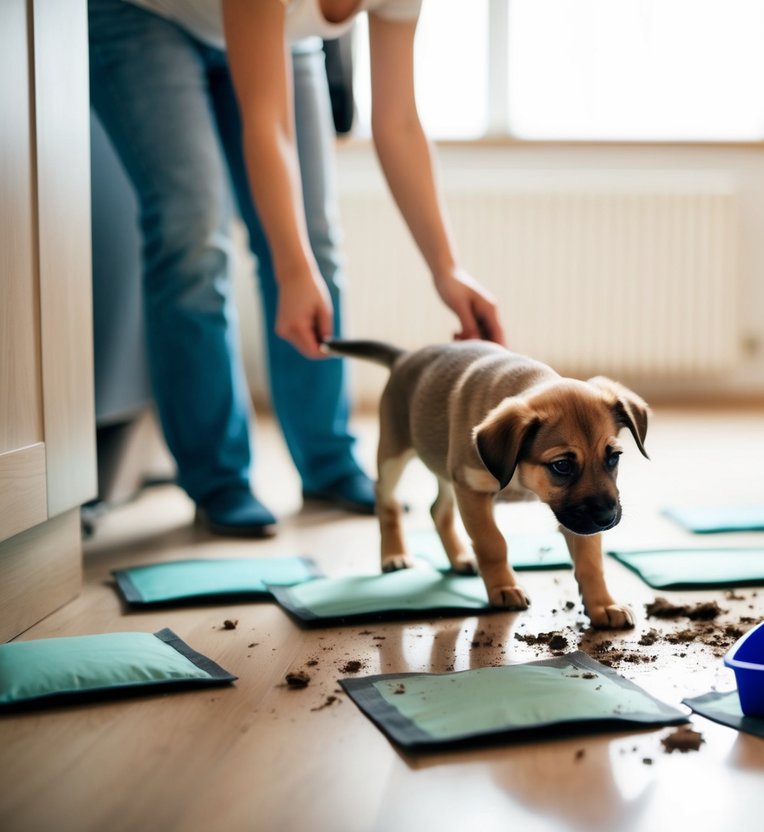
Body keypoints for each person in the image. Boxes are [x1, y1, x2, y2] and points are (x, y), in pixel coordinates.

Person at [89, 0, 505, 537]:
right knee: (192, 236)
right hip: (144, 18)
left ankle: (327, 460)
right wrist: (290, 269)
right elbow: (268, 125)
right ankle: (217, 479)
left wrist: (446, 268)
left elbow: (398, 121)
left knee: (317, 243)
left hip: (277, 32)